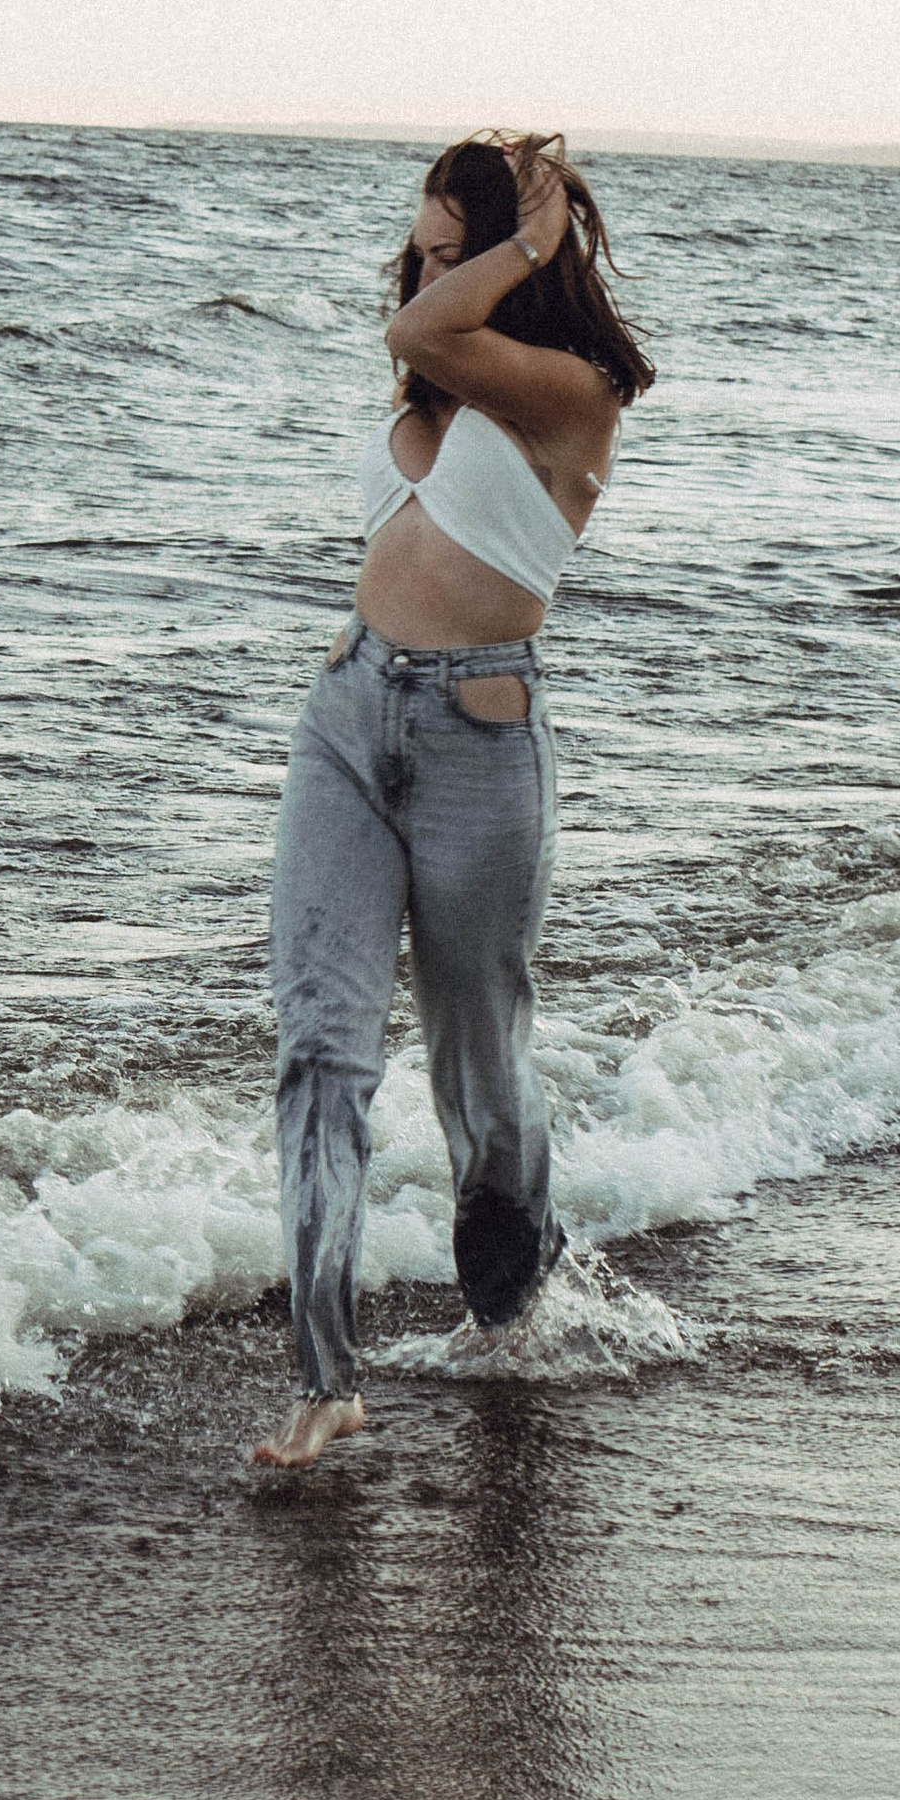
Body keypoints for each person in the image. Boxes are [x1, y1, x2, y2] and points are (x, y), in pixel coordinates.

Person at [253, 132, 655, 1469]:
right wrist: (477, 264)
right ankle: (325, 1377)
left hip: (483, 744)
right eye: (418, 250)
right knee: (322, 1046)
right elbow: (420, 332)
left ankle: (511, 1304)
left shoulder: (575, 392)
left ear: (504, 259)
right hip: (347, 720)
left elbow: (428, 326)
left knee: (479, 1066)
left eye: (449, 250)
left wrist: (529, 245)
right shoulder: (431, 366)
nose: (420, 281)